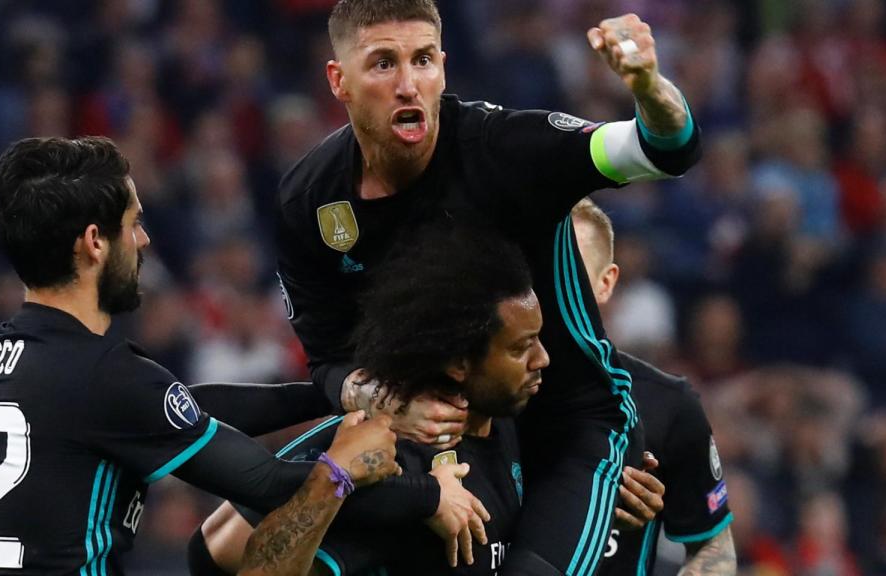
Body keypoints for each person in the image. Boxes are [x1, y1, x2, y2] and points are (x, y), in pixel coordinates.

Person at [274, 1, 701, 573]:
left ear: (444, 67)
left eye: (423, 60)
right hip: (448, 433)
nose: (408, 85)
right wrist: (383, 400)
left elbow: (663, 148)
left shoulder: (504, 149)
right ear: (339, 81)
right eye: (382, 64)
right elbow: (327, 358)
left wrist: (648, 86)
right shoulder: (310, 201)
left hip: (569, 428)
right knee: (229, 543)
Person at [0, 136, 401, 575]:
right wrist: (363, 470)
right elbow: (267, 484)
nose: (144, 240)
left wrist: (331, 393)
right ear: (94, 242)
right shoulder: (102, 374)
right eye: (132, 224)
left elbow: (178, 406)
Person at [199, 224, 546, 575]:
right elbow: (217, 547)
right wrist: (418, 496)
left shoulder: (509, 418)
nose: (542, 358)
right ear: (459, 362)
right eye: (520, 348)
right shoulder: (387, 446)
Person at [571, 198, 736, 576]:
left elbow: (712, 545)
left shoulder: (668, 405)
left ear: (606, 282)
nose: (556, 286)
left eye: (573, 271)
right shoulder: (481, 395)